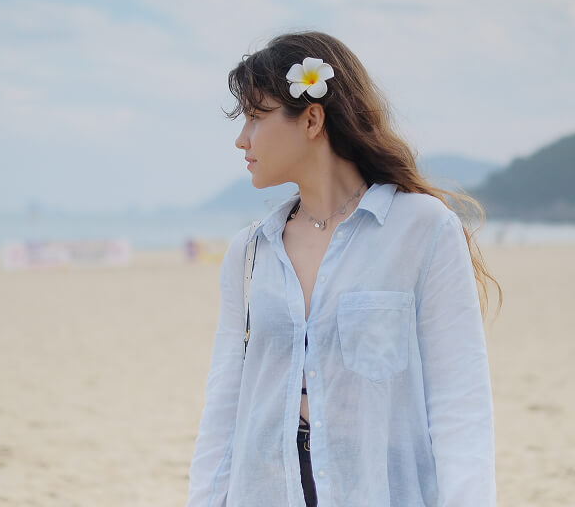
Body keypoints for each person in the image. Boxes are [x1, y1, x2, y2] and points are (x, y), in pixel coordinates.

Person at [186, 31, 502, 506]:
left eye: (255, 116)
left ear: (312, 119)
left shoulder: (422, 229)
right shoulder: (250, 253)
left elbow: (460, 404)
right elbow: (224, 410)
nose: (241, 139)